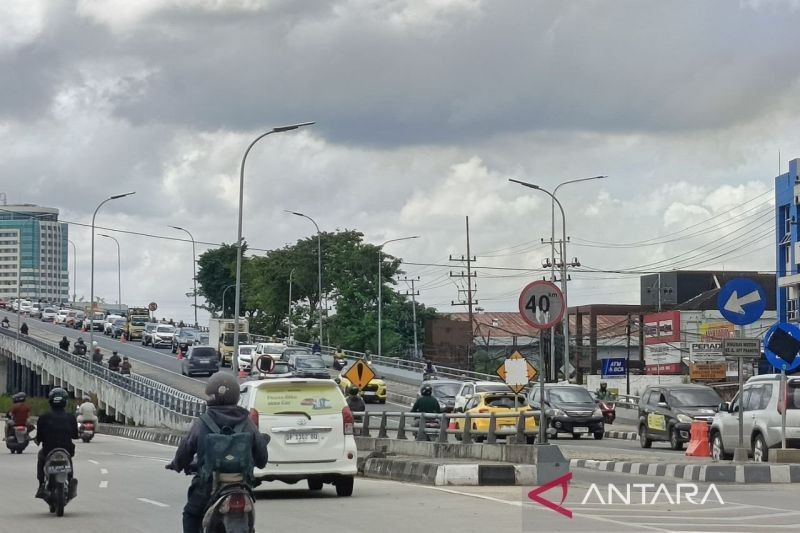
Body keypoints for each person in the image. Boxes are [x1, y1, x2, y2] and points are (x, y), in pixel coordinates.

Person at [165, 373, 268, 533]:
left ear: (212, 396)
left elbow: (186, 449)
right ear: (235, 395)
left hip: (207, 488)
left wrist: (177, 464)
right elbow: (262, 460)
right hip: (242, 487)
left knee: (190, 515)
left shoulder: (202, 422)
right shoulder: (247, 422)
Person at [35, 388, 79, 499]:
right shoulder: (71, 418)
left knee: (41, 457)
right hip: (66, 449)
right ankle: (70, 480)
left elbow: (39, 436)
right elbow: (75, 435)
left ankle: (41, 484)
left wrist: (38, 439)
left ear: (50, 401)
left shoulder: (43, 417)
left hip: (48, 450)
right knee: (69, 460)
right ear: (65, 402)